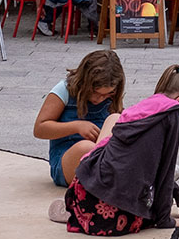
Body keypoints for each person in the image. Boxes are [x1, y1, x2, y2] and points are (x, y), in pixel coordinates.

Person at [63, 65, 179, 236]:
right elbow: (165, 170)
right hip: (109, 215)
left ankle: (78, 212)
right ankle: (88, 217)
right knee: (145, 212)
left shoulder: (149, 105)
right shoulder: (174, 112)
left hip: (84, 189)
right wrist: (166, 220)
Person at [36, 49, 125, 190]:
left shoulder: (112, 98)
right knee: (87, 148)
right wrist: (76, 127)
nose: (100, 99)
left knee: (116, 118)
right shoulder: (64, 90)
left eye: (107, 94)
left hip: (103, 158)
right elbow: (40, 129)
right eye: (96, 93)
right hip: (69, 160)